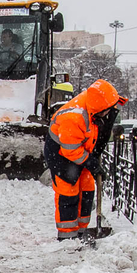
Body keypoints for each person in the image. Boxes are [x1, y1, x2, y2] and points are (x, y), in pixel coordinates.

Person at [44, 78, 127, 241]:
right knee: (69, 193)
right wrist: (91, 163)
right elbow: (70, 150)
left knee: (87, 190)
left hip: (82, 151)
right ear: (100, 109)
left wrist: (94, 158)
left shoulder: (96, 106)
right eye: (108, 110)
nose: (110, 112)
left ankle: (82, 232)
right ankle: (67, 237)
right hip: (62, 156)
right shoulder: (74, 117)